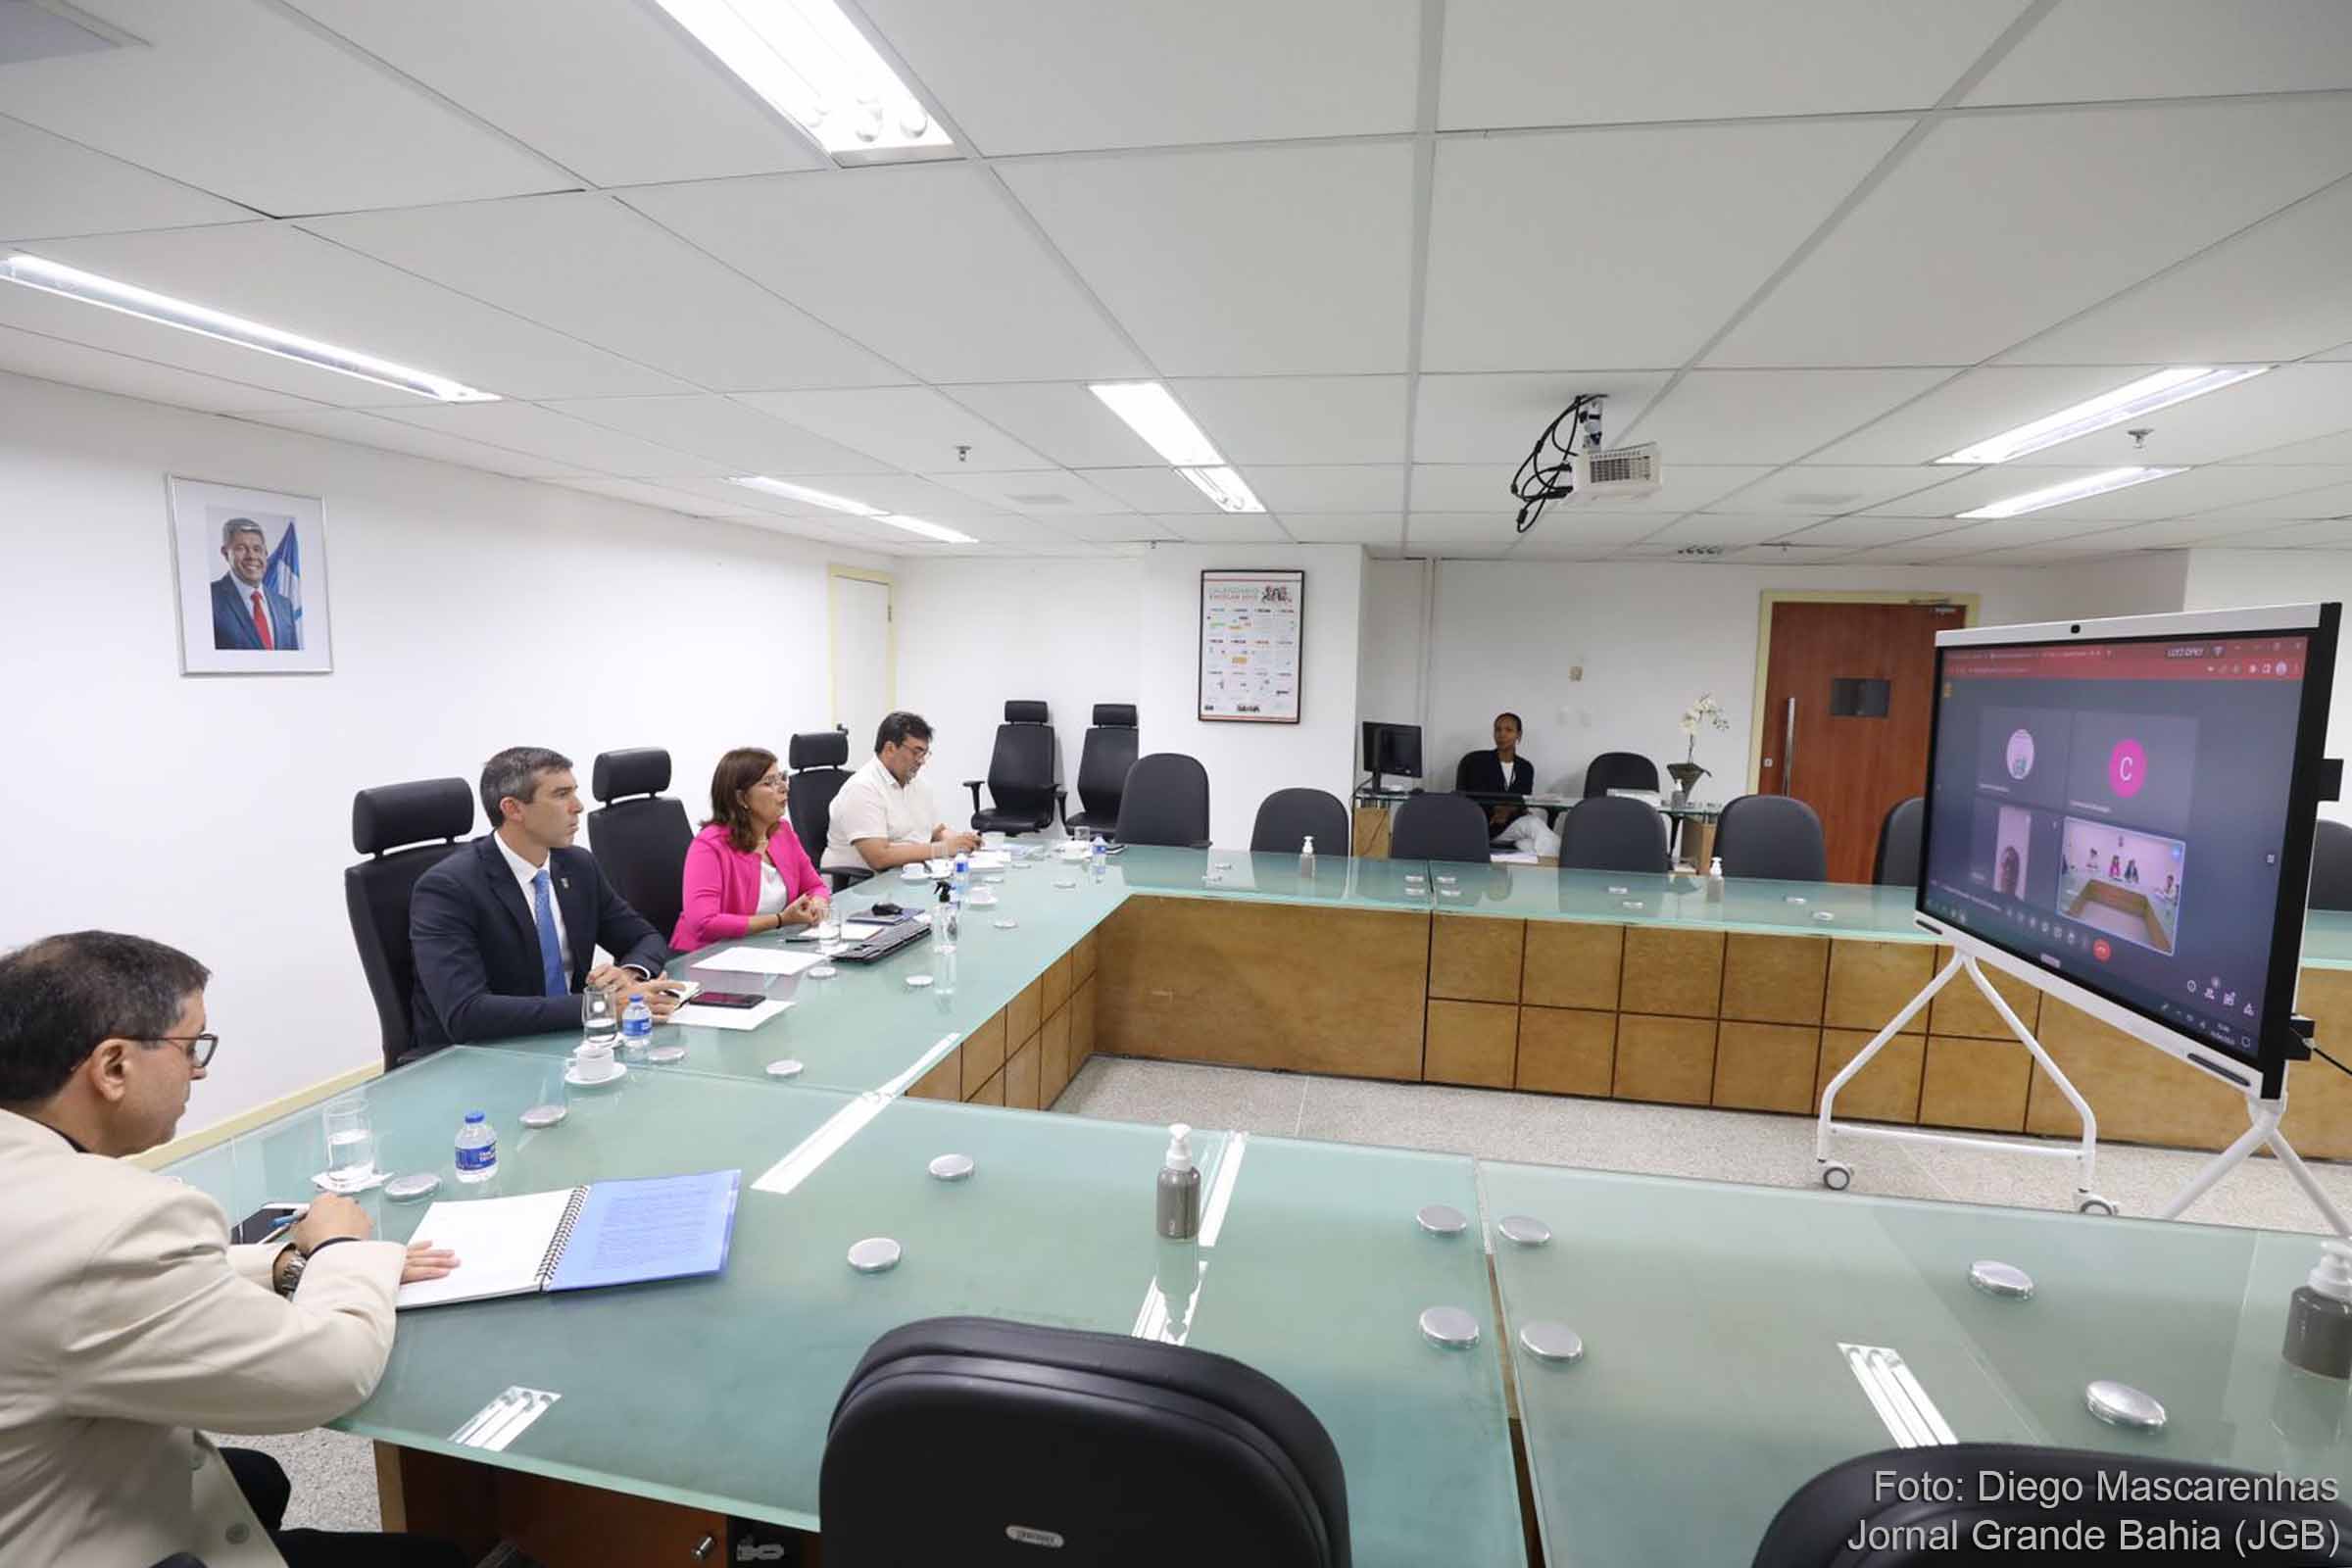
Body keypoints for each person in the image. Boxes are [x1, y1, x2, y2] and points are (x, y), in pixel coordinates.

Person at [0, 931, 463, 1568]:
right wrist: (341, 1250)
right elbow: (327, 1375)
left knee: (256, 1480)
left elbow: (100, 1285)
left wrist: (281, 1264)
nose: (200, 1070)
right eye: (191, 1047)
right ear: (113, 1068)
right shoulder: (113, 1223)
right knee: (436, 1560)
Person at [410, 747, 681, 1054]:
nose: (578, 806)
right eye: (561, 795)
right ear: (513, 809)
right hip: (480, 1055)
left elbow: (645, 937)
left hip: (569, 1041)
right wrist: (601, 1005)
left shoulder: (577, 865)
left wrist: (628, 975)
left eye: (574, 792)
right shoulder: (448, 888)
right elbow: (466, 1013)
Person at [674, 747, 831, 952]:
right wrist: (780, 920)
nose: (784, 787)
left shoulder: (782, 832)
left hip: (768, 948)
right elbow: (704, 922)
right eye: (769, 782)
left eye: (781, 778)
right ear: (741, 798)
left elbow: (816, 886)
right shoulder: (709, 845)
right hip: (709, 954)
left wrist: (818, 902)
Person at [824, 711, 981, 874]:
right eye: (916, 752)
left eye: (924, 753)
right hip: (862, 882)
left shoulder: (919, 784)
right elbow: (879, 857)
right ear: (890, 749)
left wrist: (963, 842)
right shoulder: (862, 788)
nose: (921, 761)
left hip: (908, 874)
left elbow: (937, 832)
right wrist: (943, 849)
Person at [210, 517, 299, 653]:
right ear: (226, 553)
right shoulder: (210, 599)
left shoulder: (284, 605)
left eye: (257, 549)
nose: (251, 556)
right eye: (241, 548)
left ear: (266, 554)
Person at [1457, 711, 1536, 834]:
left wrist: (1508, 810)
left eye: (1508, 730)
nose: (1502, 734)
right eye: (1498, 730)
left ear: (1519, 735)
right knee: (1534, 826)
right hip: (1485, 824)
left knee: (1532, 842)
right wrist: (1498, 810)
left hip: (1513, 825)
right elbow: (1472, 797)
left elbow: (1522, 799)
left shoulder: (1525, 768)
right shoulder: (1477, 762)